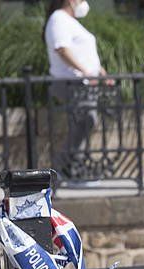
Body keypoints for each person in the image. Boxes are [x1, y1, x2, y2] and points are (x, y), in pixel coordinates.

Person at [44, 0, 107, 181]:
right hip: (72, 83)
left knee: (84, 121)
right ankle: (65, 165)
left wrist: (100, 72)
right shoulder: (59, 19)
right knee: (85, 119)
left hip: (83, 83)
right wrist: (85, 72)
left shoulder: (70, 21)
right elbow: (62, 48)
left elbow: (82, 51)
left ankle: (71, 165)